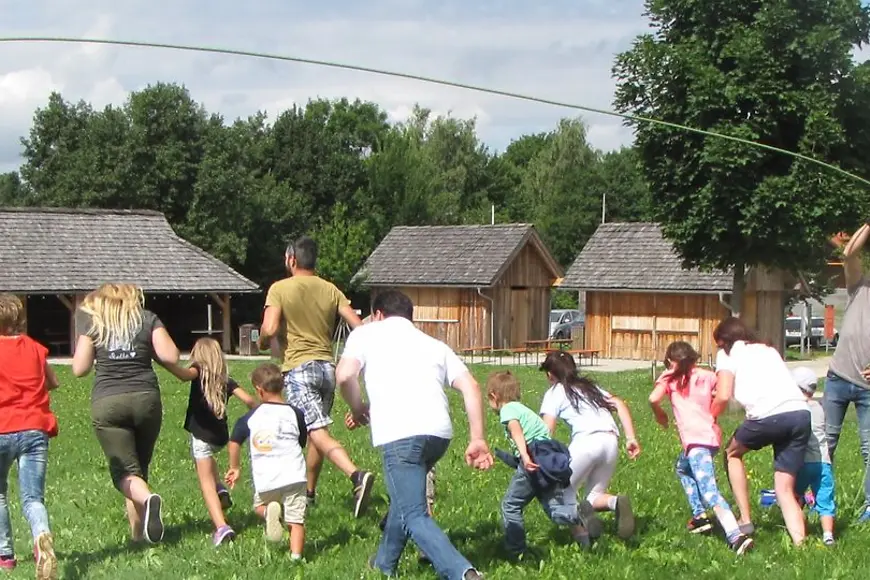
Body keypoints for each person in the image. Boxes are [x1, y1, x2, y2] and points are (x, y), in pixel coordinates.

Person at [336, 289, 492, 580]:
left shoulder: (366, 334)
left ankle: (464, 573)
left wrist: (357, 408)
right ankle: (383, 565)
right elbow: (471, 386)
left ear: (378, 314)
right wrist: (478, 438)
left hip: (401, 436)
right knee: (403, 501)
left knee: (414, 515)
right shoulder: (434, 344)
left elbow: (344, 375)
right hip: (438, 436)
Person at [257, 236, 373, 517]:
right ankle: (309, 494)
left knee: (317, 432)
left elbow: (269, 328)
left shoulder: (279, 288)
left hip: (299, 369)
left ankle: (356, 476)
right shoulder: (330, 289)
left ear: (292, 259)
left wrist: (262, 341)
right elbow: (358, 326)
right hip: (326, 370)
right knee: (316, 433)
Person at [72, 283, 181, 544]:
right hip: (146, 399)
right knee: (139, 470)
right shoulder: (147, 319)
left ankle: (148, 501)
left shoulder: (95, 322)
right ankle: (138, 535)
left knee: (125, 472)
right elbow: (171, 356)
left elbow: (79, 368)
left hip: (109, 402)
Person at [712, 316, 811, 545]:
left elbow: (723, 395)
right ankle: (801, 545)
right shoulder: (768, 349)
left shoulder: (727, 353)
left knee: (732, 453)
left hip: (768, 416)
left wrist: (710, 416)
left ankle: (745, 519)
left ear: (724, 341)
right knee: (784, 488)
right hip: (800, 414)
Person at [648, 341, 753, 555]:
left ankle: (735, 535)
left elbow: (653, 398)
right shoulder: (707, 376)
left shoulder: (669, 378)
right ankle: (700, 516)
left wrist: (660, 414)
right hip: (710, 438)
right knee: (683, 468)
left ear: (670, 361)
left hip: (696, 443)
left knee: (709, 491)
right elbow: (722, 394)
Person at [486, 370, 597, 555]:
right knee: (554, 509)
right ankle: (577, 516)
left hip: (533, 460)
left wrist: (525, 456)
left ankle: (516, 551)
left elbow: (516, 430)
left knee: (511, 505)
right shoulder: (524, 410)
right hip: (549, 461)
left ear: (493, 396)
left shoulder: (508, 409)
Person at [163, 337, 257, 547]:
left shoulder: (197, 372)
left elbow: (182, 375)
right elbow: (250, 401)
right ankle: (220, 489)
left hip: (202, 437)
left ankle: (222, 527)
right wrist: (264, 411)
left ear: (199, 357)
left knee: (205, 483)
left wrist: (164, 361)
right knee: (207, 464)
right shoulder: (227, 380)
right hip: (220, 437)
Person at [538, 351, 640, 540]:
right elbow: (619, 404)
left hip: (586, 442)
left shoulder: (555, 392)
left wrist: (539, 455)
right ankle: (616, 502)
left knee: (559, 494)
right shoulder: (590, 387)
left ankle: (583, 536)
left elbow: (547, 429)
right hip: (610, 441)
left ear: (550, 374)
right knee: (593, 496)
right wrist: (631, 438)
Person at [0, 294, 59, 580]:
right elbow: (54, 382)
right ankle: (41, 537)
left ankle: (5, 555)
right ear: (19, 319)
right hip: (35, 428)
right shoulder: (35, 348)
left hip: (1, 428)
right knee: (33, 498)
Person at [225, 363, 308, 560]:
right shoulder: (296, 413)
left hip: (266, 477)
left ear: (259, 390)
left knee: (259, 506)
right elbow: (302, 441)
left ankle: (270, 513)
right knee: (296, 520)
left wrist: (235, 467)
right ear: (283, 386)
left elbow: (234, 441)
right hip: (294, 474)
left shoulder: (251, 417)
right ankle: (296, 557)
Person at [825, 228, 870, 523]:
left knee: (869, 450)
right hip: (838, 377)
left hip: (868, 388)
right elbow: (849, 252)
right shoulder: (860, 285)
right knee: (825, 444)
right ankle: (817, 501)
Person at [792, 367, 837, 545]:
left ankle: (798, 530)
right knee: (825, 499)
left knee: (794, 496)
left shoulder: (797, 408)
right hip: (823, 462)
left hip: (802, 463)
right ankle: (828, 535)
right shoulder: (818, 408)